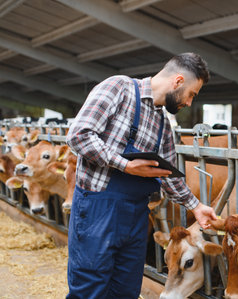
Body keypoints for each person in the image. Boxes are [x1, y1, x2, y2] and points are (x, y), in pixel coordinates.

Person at [65, 52, 217, 299]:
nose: (189, 103)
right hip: (97, 209)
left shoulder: (163, 124)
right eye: (191, 94)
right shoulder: (119, 88)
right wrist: (124, 165)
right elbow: (78, 135)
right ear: (178, 81)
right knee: (90, 288)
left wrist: (196, 206)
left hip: (136, 215)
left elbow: (169, 174)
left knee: (126, 289)